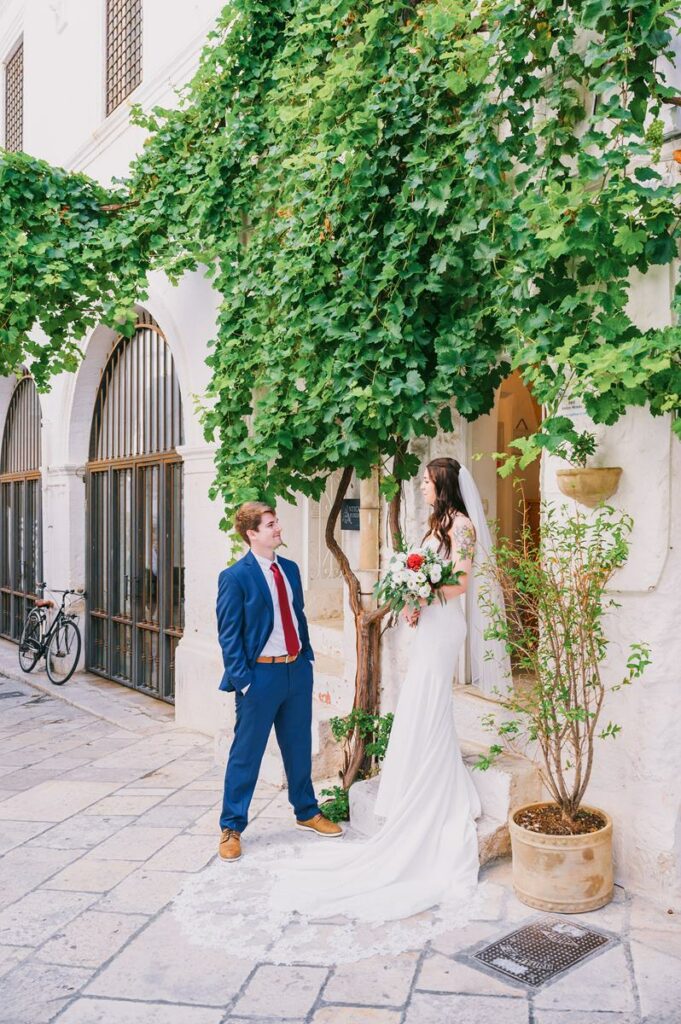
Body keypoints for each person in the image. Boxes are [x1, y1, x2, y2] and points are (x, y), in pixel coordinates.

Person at [216, 501, 342, 862]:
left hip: (296, 671)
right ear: (252, 533)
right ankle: (232, 826)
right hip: (260, 676)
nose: (278, 528)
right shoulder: (235, 577)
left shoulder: (289, 569)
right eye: (271, 524)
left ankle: (307, 811)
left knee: (299, 745)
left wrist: (306, 661)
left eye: (276, 522)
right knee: (246, 754)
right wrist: (245, 682)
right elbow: (229, 636)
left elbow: (297, 616)